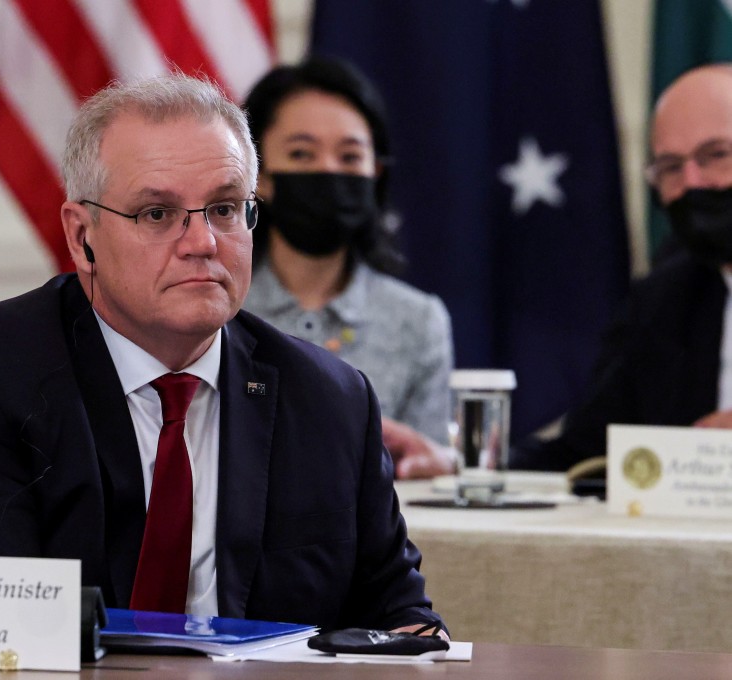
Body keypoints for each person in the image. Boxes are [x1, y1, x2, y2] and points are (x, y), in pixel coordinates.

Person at [0, 73, 446, 635]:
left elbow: (399, 616)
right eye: (157, 214)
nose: (203, 242)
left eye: (225, 209)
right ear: (83, 237)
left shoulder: (329, 397)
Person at [240, 57, 456, 480]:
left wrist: (441, 464)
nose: (328, 171)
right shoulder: (219, 305)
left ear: (375, 173)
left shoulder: (418, 320)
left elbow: (427, 471)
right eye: (301, 154)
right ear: (259, 175)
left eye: (350, 155)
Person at [511, 63, 732, 471]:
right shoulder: (666, 298)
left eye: (716, 155)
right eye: (670, 167)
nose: (693, 183)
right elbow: (584, 449)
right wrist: (460, 464)